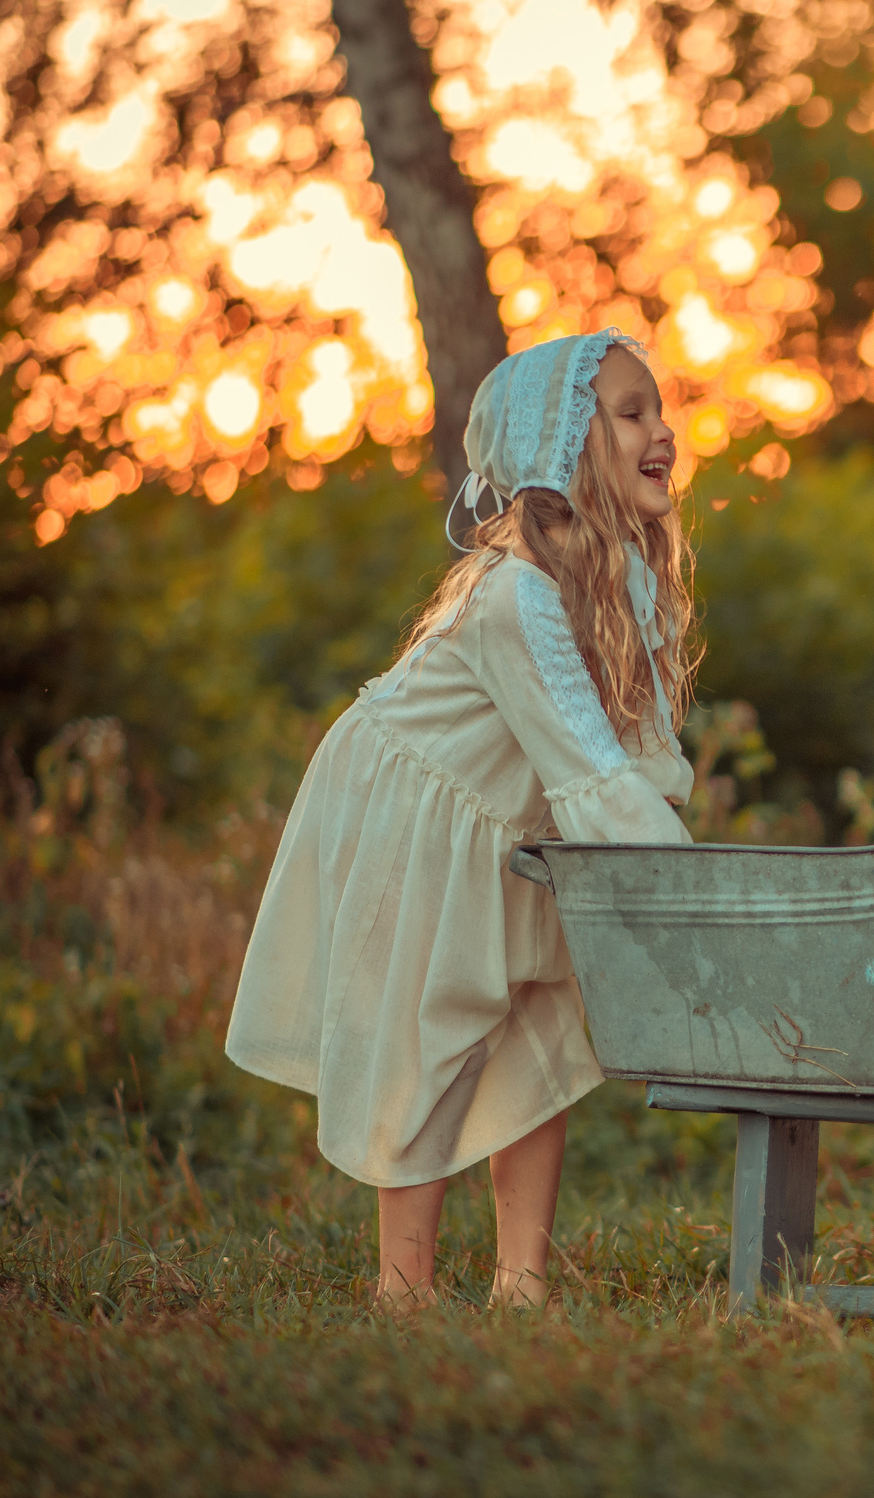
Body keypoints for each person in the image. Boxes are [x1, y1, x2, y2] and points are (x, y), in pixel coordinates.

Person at [226, 328, 696, 1311]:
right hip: (417, 808)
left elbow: (644, 764)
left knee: (538, 1013)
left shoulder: (623, 586)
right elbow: (595, 774)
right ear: (561, 450)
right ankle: (405, 1286)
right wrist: (692, 895)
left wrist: (668, 852)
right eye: (631, 412)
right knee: (426, 1028)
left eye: (659, 408)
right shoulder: (514, 596)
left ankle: (522, 1278)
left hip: (515, 823)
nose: (663, 431)